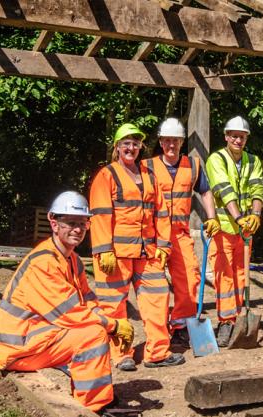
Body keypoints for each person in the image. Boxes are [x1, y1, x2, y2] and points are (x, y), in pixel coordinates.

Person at [0, 191, 134, 413]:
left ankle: (95, 396)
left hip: (37, 339)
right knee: (92, 335)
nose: (77, 229)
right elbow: (70, 314)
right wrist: (112, 326)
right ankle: (93, 407)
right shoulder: (44, 263)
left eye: (82, 223)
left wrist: (110, 324)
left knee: (96, 329)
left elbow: (88, 302)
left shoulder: (72, 260)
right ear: (54, 222)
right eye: (70, 223)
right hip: (18, 350)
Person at [89, 123, 184, 370]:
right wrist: (103, 249)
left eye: (135, 143)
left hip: (148, 252)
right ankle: (122, 355)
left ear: (140, 146)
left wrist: (164, 246)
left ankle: (158, 353)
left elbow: (162, 214)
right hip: (115, 255)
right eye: (126, 144)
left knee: (158, 299)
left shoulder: (148, 176)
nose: (131, 148)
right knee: (114, 306)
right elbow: (99, 214)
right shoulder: (106, 175)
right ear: (117, 147)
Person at [143, 117, 220, 345]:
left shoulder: (193, 165)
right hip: (154, 234)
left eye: (175, 140)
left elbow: (205, 192)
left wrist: (212, 217)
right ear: (160, 141)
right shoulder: (147, 167)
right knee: (154, 284)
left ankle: (180, 324)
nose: (171, 145)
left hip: (179, 233)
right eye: (167, 140)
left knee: (189, 276)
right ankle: (156, 331)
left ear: (181, 142)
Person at [205, 116, 263, 347]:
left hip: (244, 230)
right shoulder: (216, 159)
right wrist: (240, 218)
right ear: (226, 137)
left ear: (246, 138)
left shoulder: (253, 161)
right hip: (223, 227)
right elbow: (224, 189)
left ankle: (240, 316)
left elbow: (258, 187)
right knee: (224, 277)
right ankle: (226, 321)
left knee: (241, 275)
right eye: (234, 136)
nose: (238, 140)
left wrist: (255, 216)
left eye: (242, 136)